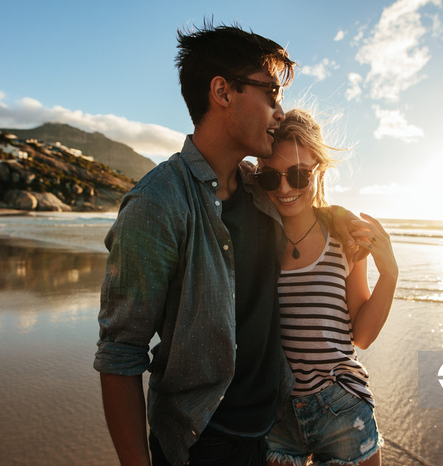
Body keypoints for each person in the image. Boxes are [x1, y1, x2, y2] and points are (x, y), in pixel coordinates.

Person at [94, 24, 361, 466]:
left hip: (276, 433)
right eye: (270, 95)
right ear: (222, 91)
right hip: (200, 442)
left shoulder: (262, 193)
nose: (279, 112)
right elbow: (120, 352)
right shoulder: (157, 204)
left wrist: (339, 217)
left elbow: (302, 200)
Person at [255, 109, 398, 466]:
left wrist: (390, 274)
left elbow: (361, 336)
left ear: (319, 168)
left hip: (341, 409)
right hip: (275, 414)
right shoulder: (255, 235)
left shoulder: (342, 238)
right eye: (272, 178)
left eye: (299, 175)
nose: (285, 188)